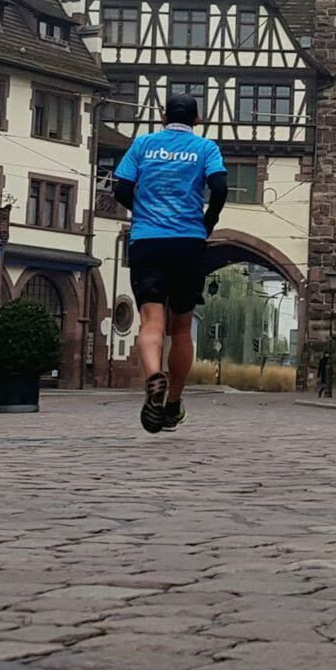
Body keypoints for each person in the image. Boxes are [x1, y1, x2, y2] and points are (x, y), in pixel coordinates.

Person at [112, 94, 226, 433]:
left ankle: (153, 378)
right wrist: (208, 220)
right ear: (197, 120)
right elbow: (219, 186)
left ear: (163, 116)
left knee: (151, 321)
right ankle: (173, 403)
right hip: (189, 242)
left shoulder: (143, 144)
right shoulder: (206, 148)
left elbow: (120, 188)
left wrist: (142, 207)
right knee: (181, 327)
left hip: (147, 240)